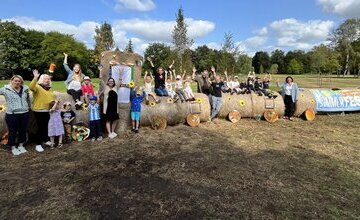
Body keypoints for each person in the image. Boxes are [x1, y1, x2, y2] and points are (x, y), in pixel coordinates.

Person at [0, 75, 30, 155]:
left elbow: (28, 99)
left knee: (23, 131)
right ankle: (13, 147)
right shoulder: (5, 89)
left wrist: (28, 108)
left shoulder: (25, 89)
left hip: (24, 113)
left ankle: (21, 145)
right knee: (12, 131)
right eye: (15, 80)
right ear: (12, 81)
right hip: (12, 115)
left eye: (19, 81)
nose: (17, 82)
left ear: (21, 82)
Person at [29, 70, 55, 152]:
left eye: (48, 79)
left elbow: (51, 100)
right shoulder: (38, 86)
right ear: (41, 79)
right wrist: (35, 77)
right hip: (38, 111)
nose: (47, 80)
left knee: (45, 127)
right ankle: (38, 144)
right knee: (39, 128)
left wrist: (54, 104)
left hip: (47, 111)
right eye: (45, 79)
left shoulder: (49, 89)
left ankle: (45, 140)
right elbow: (31, 87)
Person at [99, 67, 119, 139]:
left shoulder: (115, 88)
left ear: (113, 83)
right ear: (107, 82)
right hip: (107, 107)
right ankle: (109, 133)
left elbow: (120, 80)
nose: (111, 82)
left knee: (115, 120)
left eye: (112, 81)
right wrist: (100, 71)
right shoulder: (105, 87)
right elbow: (101, 79)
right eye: (109, 81)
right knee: (108, 120)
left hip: (114, 108)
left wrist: (120, 72)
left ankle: (113, 131)